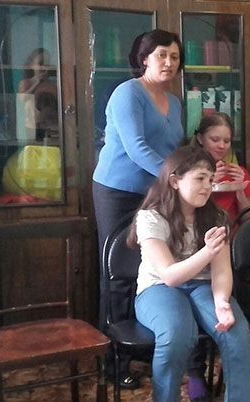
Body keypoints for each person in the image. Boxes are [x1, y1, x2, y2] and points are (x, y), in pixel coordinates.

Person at [92, 29, 185, 388]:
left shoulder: (174, 102)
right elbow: (137, 149)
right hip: (117, 191)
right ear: (144, 58)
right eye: (161, 54)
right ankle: (114, 363)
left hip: (155, 194)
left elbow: (174, 149)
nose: (168, 62)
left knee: (151, 269)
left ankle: (143, 346)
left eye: (174, 56)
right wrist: (176, 178)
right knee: (118, 272)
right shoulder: (127, 93)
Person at [130, 145, 250, 402]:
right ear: (174, 181)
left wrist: (222, 301)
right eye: (200, 178)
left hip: (203, 286)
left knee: (237, 334)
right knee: (176, 335)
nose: (207, 186)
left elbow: (221, 270)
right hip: (159, 288)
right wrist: (207, 252)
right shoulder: (150, 217)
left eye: (210, 179)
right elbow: (170, 276)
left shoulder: (217, 216)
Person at [193, 112, 250, 223]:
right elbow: (185, 214)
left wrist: (240, 189)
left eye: (227, 141)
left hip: (232, 232)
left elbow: (248, 218)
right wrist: (209, 182)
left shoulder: (237, 172)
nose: (222, 146)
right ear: (200, 138)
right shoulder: (188, 173)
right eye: (215, 140)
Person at [18, 47, 59, 139]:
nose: (43, 67)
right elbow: (22, 99)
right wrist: (37, 83)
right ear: (32, 65)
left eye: (47, 65)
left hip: (52, 127)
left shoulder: (53, 86)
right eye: (40, 64)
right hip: (32, 127)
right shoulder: (26, 83)